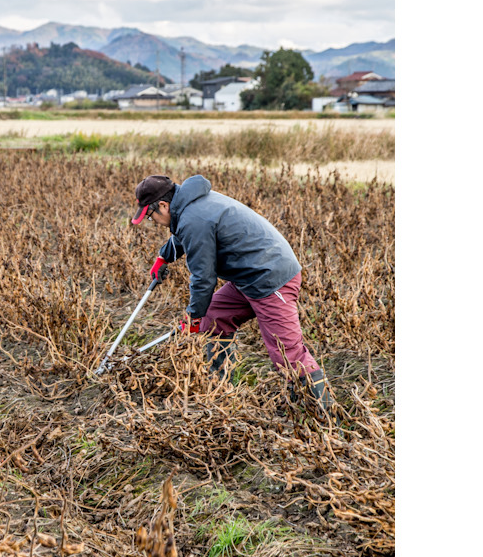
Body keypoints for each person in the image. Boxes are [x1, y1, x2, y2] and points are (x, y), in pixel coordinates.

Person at [131, 174, 332, 408]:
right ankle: (221, 392)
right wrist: (164, 257)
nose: (152, 221)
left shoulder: (193, 218)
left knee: (288, 353)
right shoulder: (190, 205)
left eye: (150, 216)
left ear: (163, 205)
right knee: (214, 318)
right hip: (248, 277)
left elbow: (203, 277)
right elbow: (184, 235)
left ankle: (325, 419)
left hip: (270, 277)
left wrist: (193, 316)